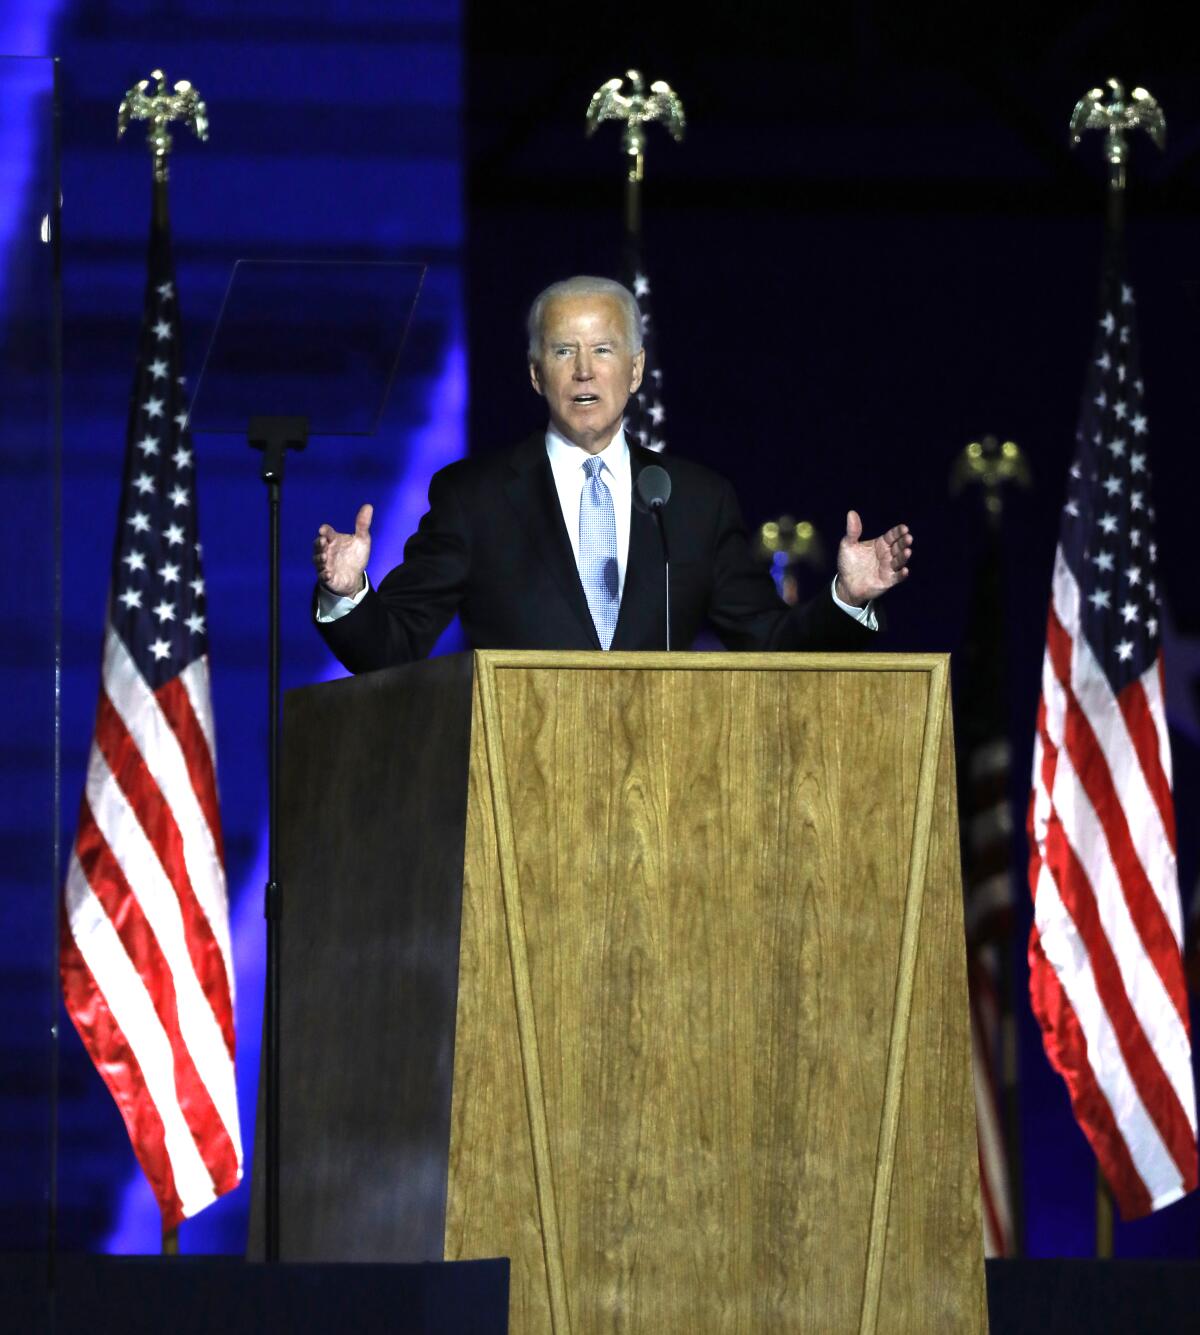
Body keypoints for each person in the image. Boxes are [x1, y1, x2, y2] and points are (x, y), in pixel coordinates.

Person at [313, 276, 912, 672]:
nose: (582, 372)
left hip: (664, 801)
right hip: (520, 797)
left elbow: (772, 645)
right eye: (562, 351)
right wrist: (347, 595)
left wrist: (846, 599)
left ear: (634, 371)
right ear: (534, 374)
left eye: (602, 351)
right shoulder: (475, 498)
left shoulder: (695, 501)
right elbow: (394, 646)